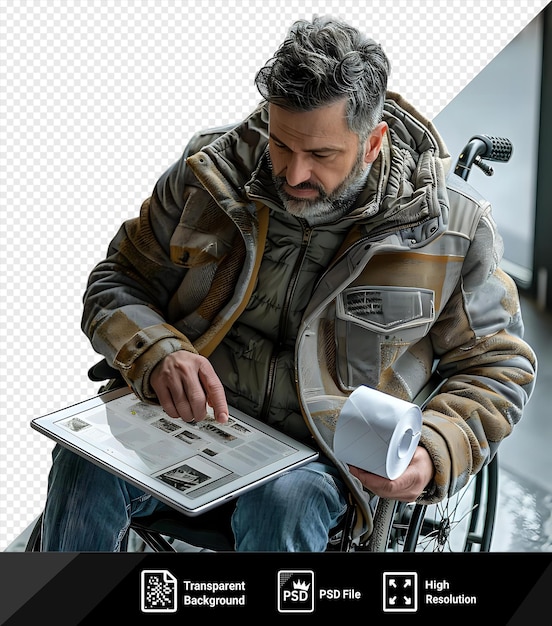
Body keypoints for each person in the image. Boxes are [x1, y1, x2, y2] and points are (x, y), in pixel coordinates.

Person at [40, 15, 537, 551]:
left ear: (373, 143)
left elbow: (497, 366)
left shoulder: (450, 231)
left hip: (319, 459)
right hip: (185, 427)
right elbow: (116, 280)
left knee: (284, 504)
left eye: (322, 156)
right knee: (83, 463)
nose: (294, 174)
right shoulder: (208, 174)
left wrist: (435, 449)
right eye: (280, 145)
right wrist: (157, 351)